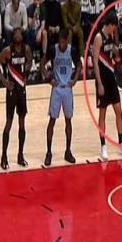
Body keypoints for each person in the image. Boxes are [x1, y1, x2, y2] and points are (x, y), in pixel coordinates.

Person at [93, 14, 122, 160]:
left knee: (118, 111)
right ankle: (103, 146)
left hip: (111, 77)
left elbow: (113, 53)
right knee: (102, 113)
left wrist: (116, 50)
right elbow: (95, 62)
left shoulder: (111, 36)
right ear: (109, 25)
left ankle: (121, 143)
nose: (114, 30)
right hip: (102, 79)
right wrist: (99, 83)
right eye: (114, 27)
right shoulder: (98, 37)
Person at [0, 28, 32, 170]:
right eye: (16, 34)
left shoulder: (26, 49)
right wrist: (4, 81)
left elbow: (30, 61)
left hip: (22, 90)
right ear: (13, 36)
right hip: (11, 91)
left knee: (22, 123)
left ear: (22, 36)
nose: (18, 36)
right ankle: (4, 156)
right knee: (9, 123)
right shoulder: (8, 51)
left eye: (20, 34)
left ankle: (20, 155)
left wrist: (26, 75)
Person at [40, 29, 81, 166]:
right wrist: (48, 78)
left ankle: (68, 151)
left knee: (68, 120)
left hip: (67, 88)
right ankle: (48, 152)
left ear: (67, 41)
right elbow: (42, 64)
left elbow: (79, 65)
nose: (61, 45)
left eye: (63, 42)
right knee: (52, 120)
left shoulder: (72, 50)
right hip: (56, 89)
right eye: (60, 42)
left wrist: (75, 80)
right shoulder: (53, 49)